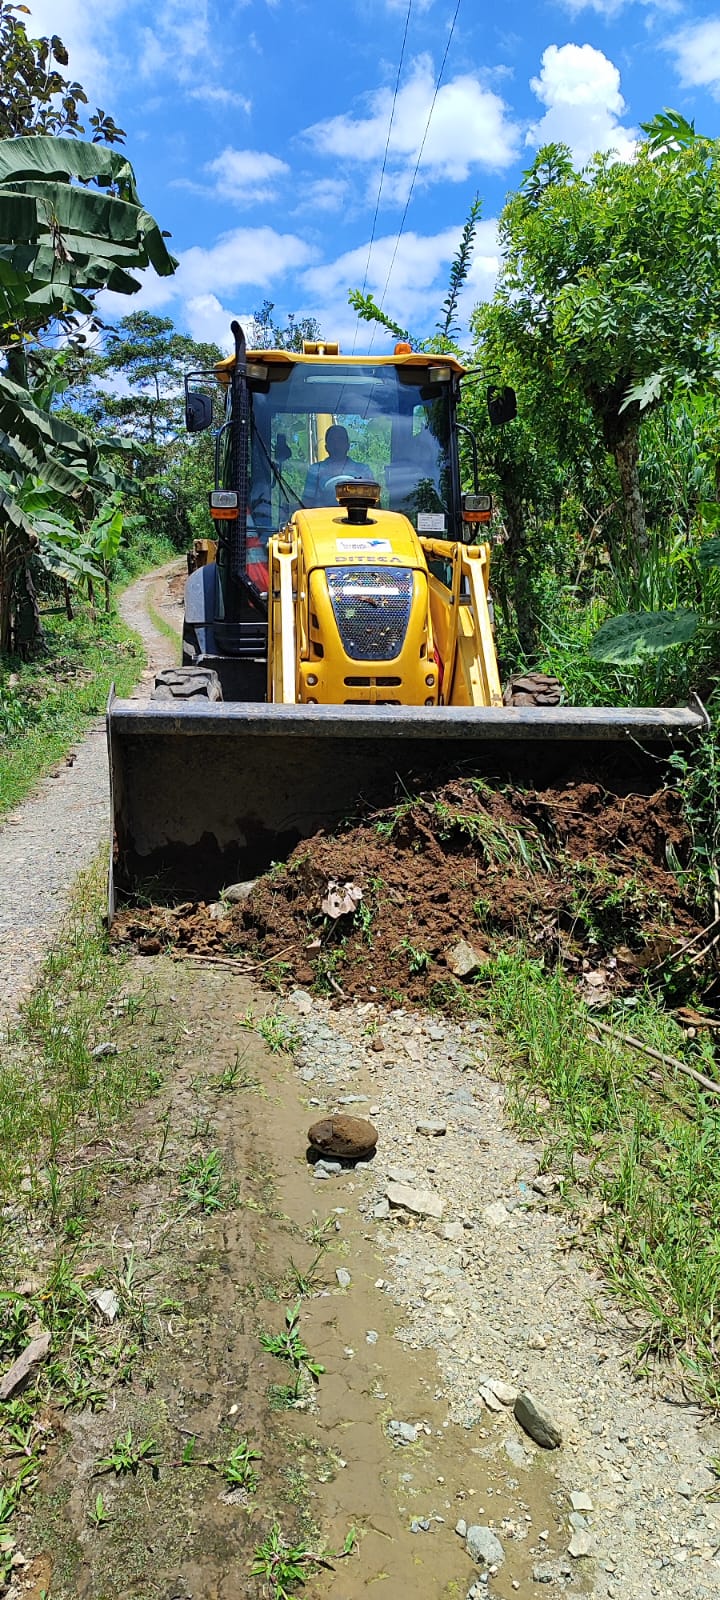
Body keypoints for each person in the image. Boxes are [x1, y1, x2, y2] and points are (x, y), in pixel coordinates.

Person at [303, 424, 371, 507]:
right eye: (332, 441)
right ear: (326, 447)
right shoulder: (316, 470)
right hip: (322, 514)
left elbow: (373, 502)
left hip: (356, 514)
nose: (336, 445)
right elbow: (307, 503)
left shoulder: (363, 470)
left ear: (348, 445)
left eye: (340, 440)